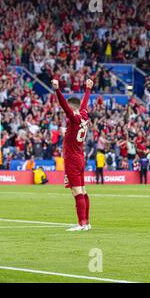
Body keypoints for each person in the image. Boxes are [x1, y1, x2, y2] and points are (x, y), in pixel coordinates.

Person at [52, 78, 94, 231]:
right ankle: (86, 223)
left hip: (72, 159)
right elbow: (84, 104)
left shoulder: (74, 118)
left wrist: (57, 90)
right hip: (80, 157)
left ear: (71, 108)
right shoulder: (83, 115)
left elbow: (64, 106)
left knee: (76, 191)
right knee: (82, 190)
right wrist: (88, 88)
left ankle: (81, 224)